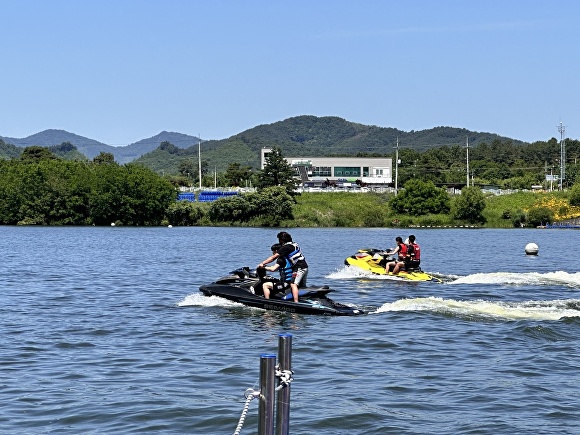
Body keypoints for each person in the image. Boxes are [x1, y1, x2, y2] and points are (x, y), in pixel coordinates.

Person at [258, 231, 308, 303]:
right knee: (301, 285)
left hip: (299, 267)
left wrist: (263, 264)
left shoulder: (285, 248)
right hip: (305, 266)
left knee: (293, 284)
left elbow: (273, 258)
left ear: (282, 240)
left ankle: (296, 303)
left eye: (279, 239)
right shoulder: (294, 244)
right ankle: (302, 298)